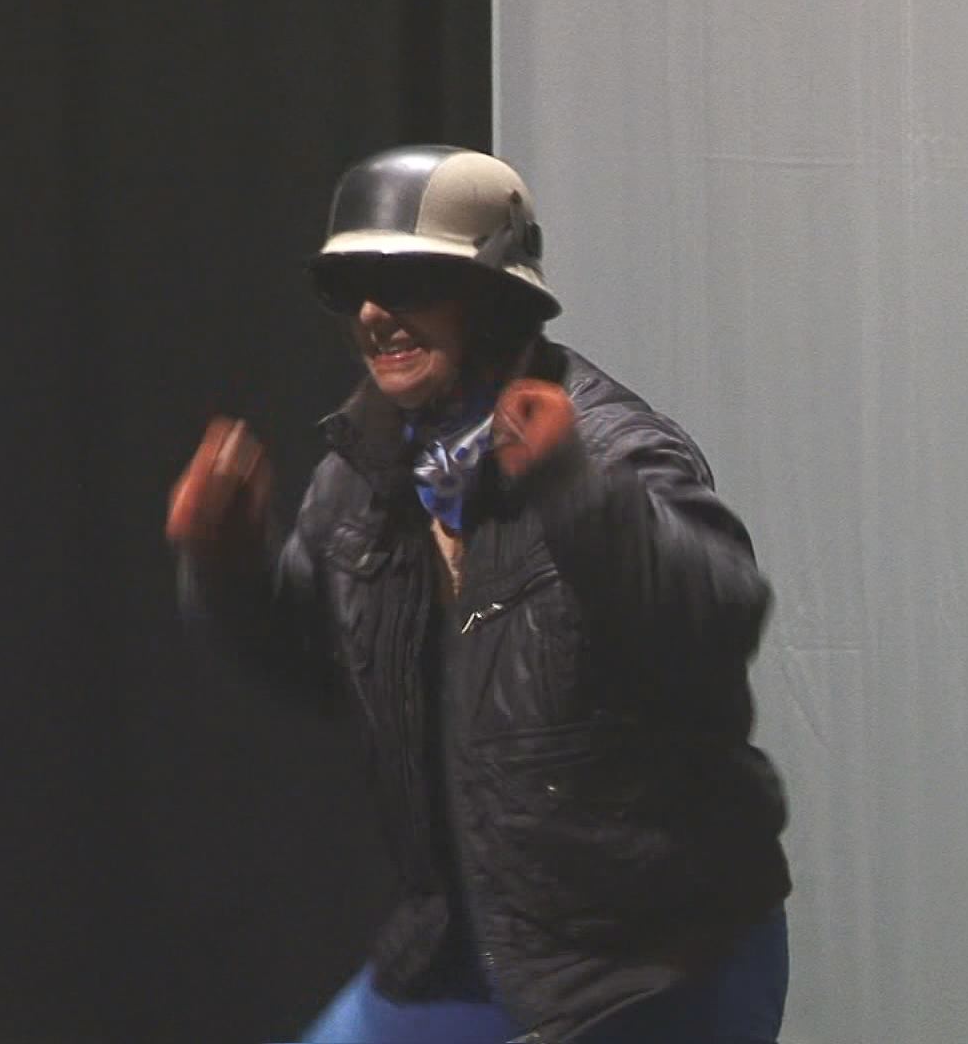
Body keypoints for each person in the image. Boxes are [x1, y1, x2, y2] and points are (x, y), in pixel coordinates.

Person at [165, 145, 791, 1043]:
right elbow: (320, 665)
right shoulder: (367, 475)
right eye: (352, 289)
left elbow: (715, 619)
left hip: (649, 962)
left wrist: (573, 493)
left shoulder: (610, 449)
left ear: (495, 297)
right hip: (470, 948)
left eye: (407, 282)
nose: (374, 314)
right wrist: (228, 565)